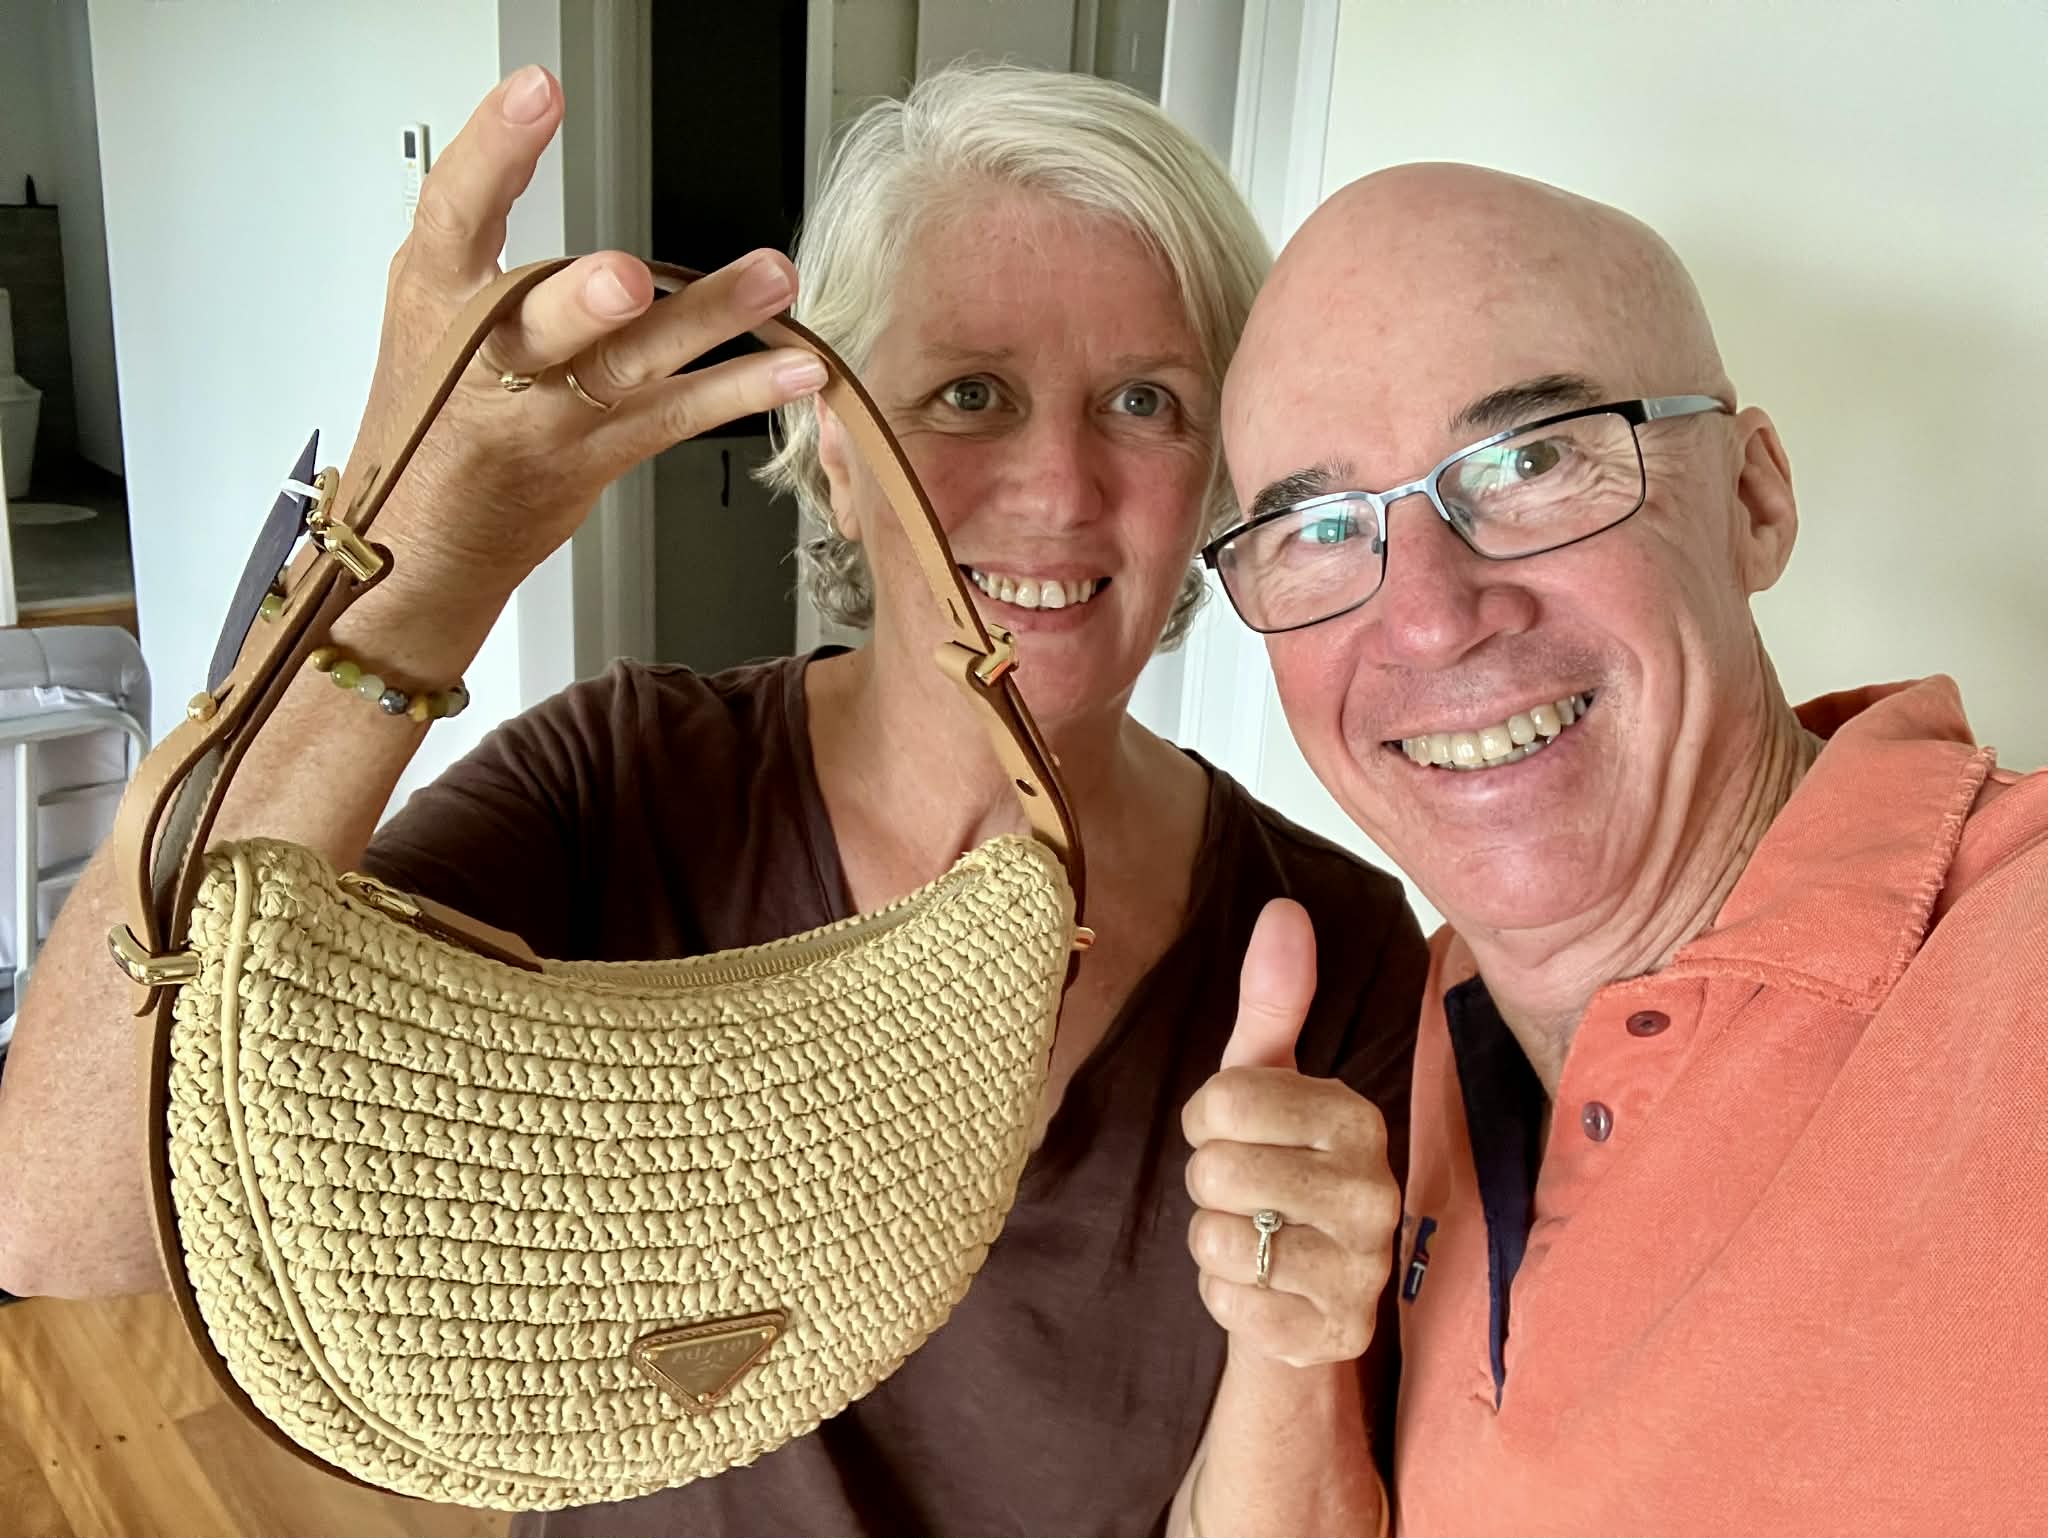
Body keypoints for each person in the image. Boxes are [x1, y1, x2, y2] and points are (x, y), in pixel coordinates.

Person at [0, 65, 1429, 1538]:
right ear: (839, 455)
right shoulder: (622, 785)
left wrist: (1295, 1341)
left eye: (1146, 400)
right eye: (968, 393)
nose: (1061, 486)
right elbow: (70, 1220)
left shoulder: (1330, 946)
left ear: (1217, 482)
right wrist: (408, 572)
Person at [1205, 160, 2048, 1534]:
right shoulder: (1413, 1028)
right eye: (1319, 528)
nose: (1430, 619)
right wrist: (1289, 1341)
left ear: (1754, 500)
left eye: (1531, 460)